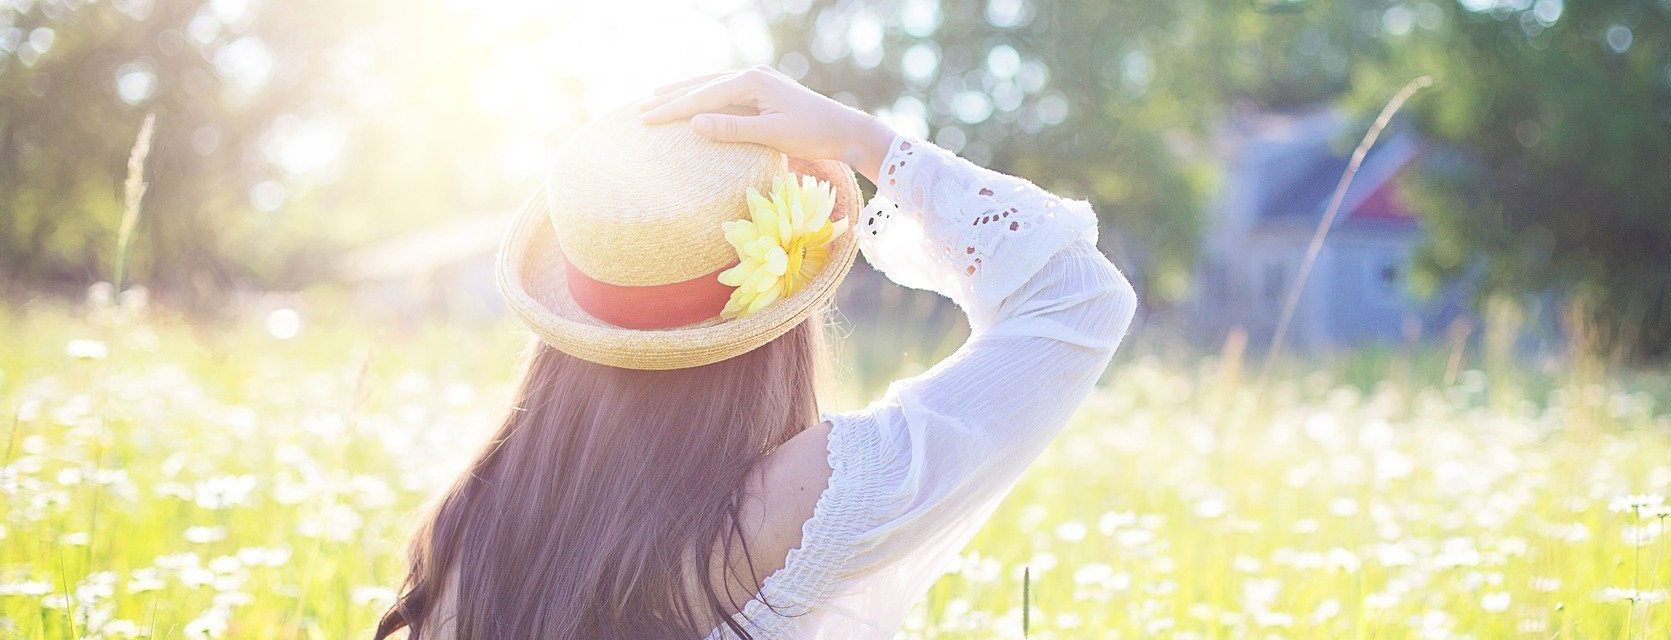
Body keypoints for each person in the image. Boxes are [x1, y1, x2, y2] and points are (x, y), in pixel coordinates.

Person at [374, 66, 1136, 639]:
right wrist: (865, 141)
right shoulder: (803, 500)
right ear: (781, 301)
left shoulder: (473, 522)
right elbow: (1081, 297)